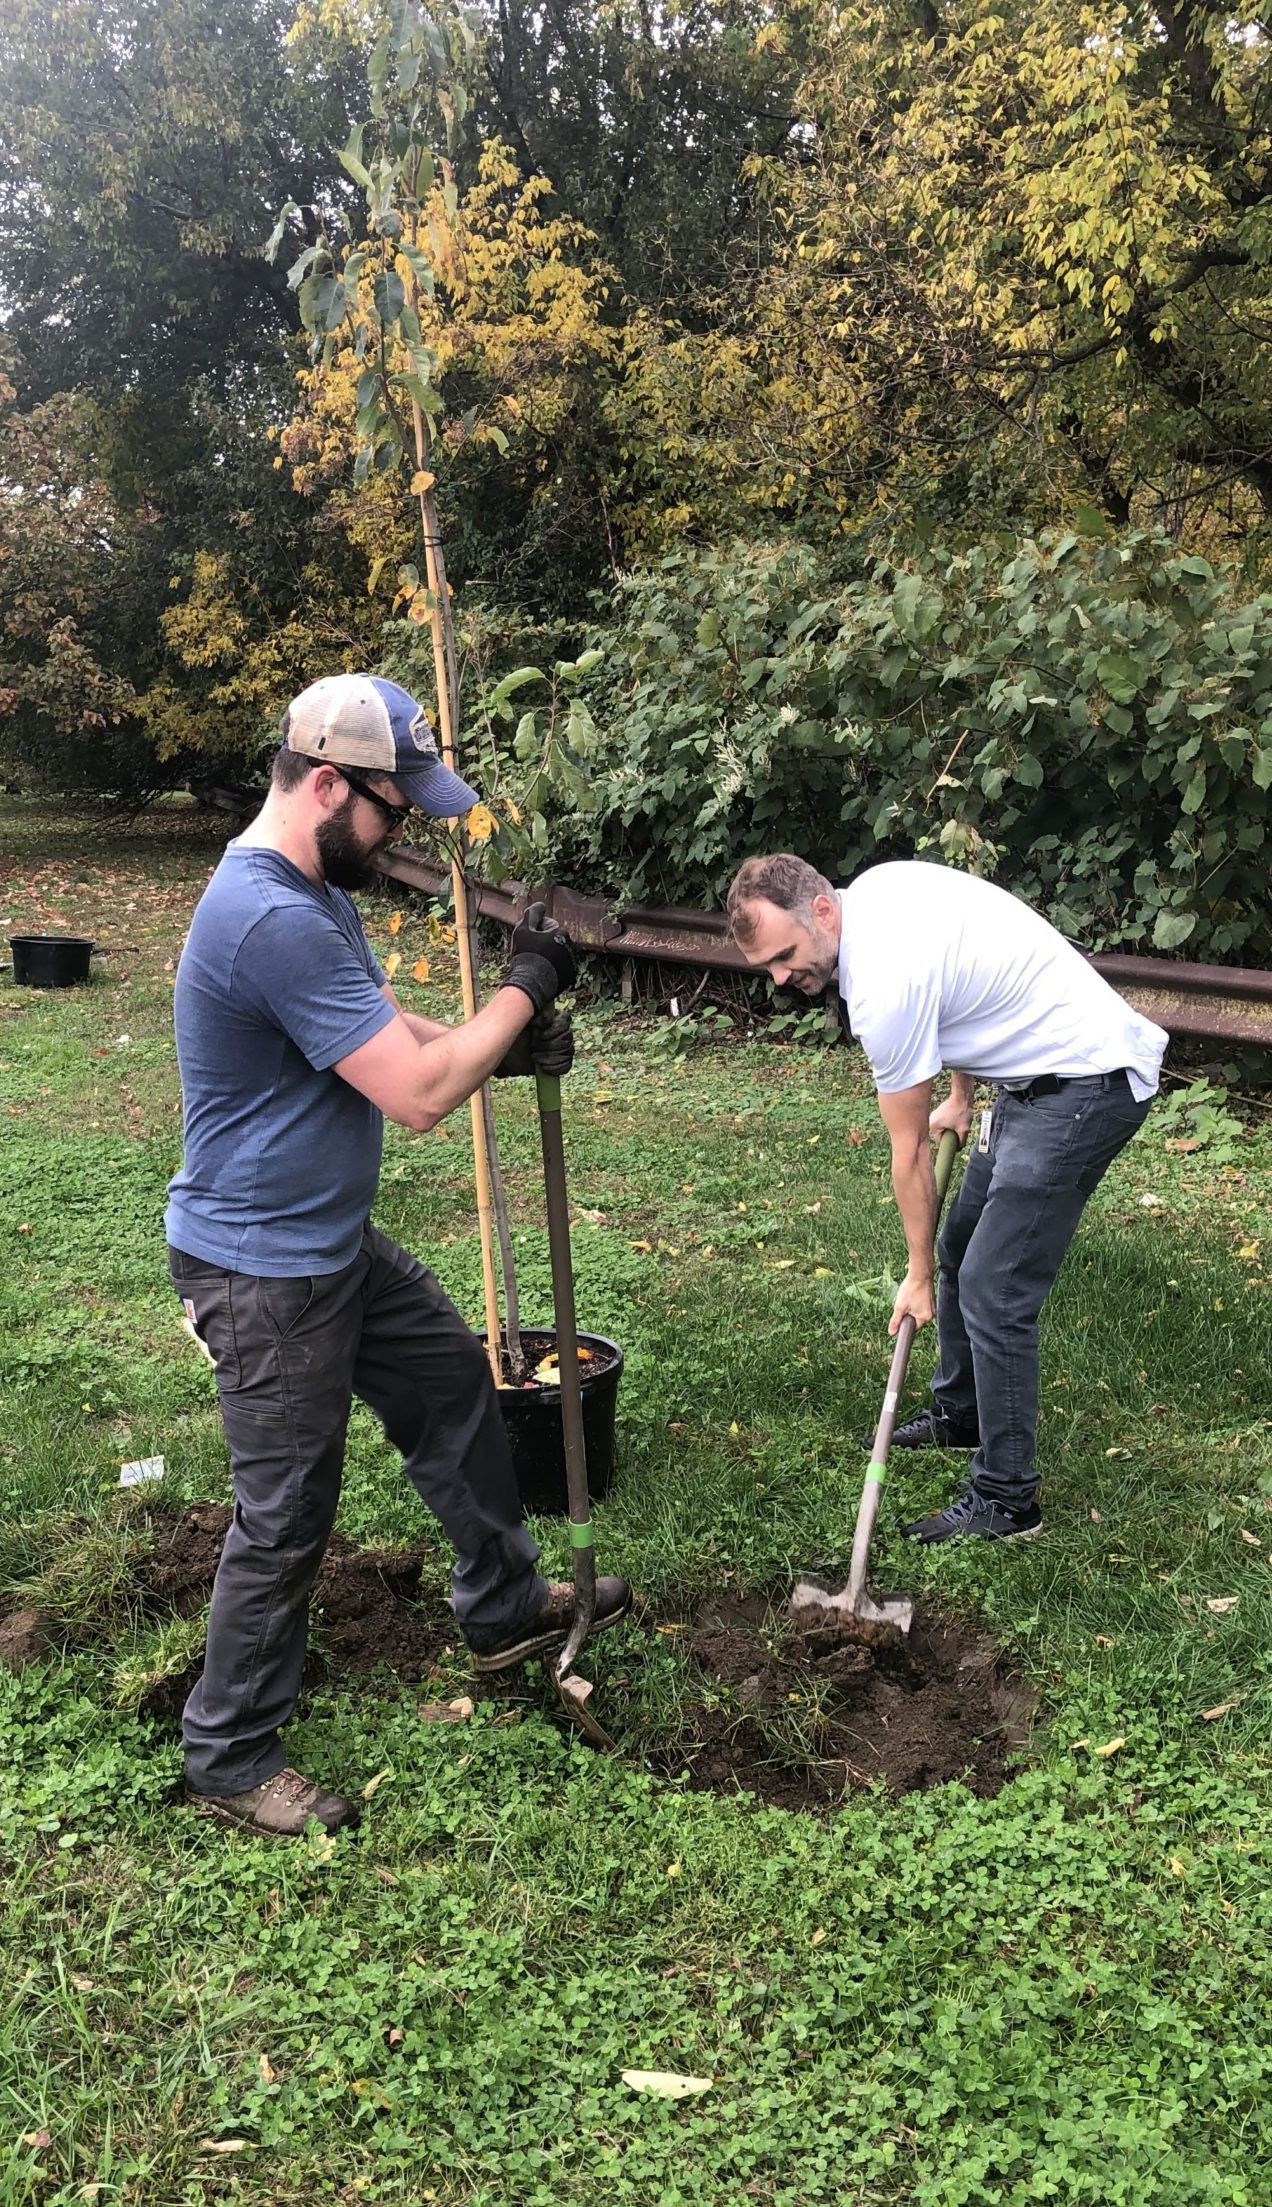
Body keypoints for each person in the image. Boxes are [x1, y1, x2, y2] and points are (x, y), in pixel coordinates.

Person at [167, 672, 629, 1841]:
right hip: (262, 1271)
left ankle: (504, 1603)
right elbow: (419, 1094)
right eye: (394, 808)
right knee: (287, 1512)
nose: (404, 833)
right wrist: (522, 989)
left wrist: (500, 1042)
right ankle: (226, 1751)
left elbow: (386, 1030)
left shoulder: (310, 885)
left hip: (328, 1246)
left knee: (448, 1385)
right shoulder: (267, 913)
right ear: (326, 783)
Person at [728, 852, 1168, 1544]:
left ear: (820, 911)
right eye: (768, 969)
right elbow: (965, 988)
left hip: (1086, 1085)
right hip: (1032, 1082)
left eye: (783, 957)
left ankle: (1007, 1498)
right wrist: (962, 1097)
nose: (782, 978)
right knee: (965, 1243)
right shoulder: (872, 894)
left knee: (994, 1286)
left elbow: (907, 1157)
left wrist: (917, 1277)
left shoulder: (881, 983)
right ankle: (963, 1413)